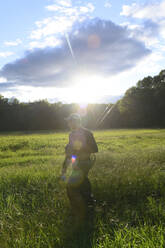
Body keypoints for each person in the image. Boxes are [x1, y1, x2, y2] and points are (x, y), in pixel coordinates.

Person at [61, 113, 98, 228]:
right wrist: (66, 166)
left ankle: (81, 214)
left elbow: (94, 149)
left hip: (85, 162)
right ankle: (89, 206)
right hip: (77, 163)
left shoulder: (87, 133)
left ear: (77, 121)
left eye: (71, 121)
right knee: (81, 183)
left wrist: (79, 147)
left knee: (72, 186)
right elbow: (71, 153)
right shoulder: (71, 134)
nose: (69, 124)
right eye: (68, 122)